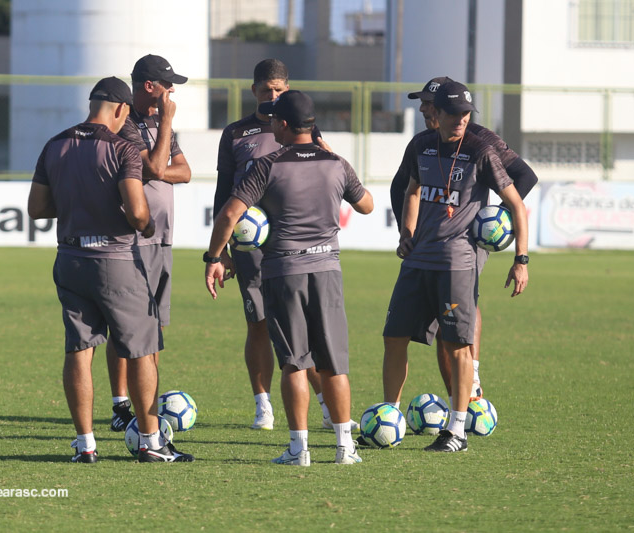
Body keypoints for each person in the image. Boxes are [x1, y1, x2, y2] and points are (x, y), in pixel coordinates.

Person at [27, 77, 193, 463]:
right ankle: (151, 443)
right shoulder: (122, 147)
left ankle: (85, 445)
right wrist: (148, 226)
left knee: (79, 350)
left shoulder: (55, 144)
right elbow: (137, 213)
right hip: (116, 261)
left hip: (69, 259)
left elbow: (37, 209)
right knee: (140, 351)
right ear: (120, 109)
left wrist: (75, 204)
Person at [206, 90, 374, 465]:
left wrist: (213, 256)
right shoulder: (336, 163)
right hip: (327, 270)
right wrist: (333, 156)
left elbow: (230, 214)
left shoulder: (267, 165)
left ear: (283, 124)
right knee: (333, 362)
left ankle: (300, 450)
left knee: (295, 362)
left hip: (284, 272)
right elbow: (366, 205)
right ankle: (345, 448)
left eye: (274, 121)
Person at [382, 79, 528, 453]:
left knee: (457, 346)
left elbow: (517, 202)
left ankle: (457, 431)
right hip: (418, 261)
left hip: (456, 263)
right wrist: (407, 232)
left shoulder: (481, 149)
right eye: (455, 113)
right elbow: (412, 190)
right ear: (440, 113)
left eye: (466, 113)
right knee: (394, 337)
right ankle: (390, 415)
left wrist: (520, 259)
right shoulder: (420, 145)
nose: (461, 119)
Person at [107, 54, 192, 433]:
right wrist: (167, 128)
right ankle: (120, 404)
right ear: (148, 87)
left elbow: (184, 172)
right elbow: (157, 169)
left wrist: (163, 146)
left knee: (155, 326)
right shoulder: (125, 123)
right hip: (133, 238)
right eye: (168, 84)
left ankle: (148, 405)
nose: (173, 91)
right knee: (126, 327)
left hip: (164, 239)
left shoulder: (162, 125)